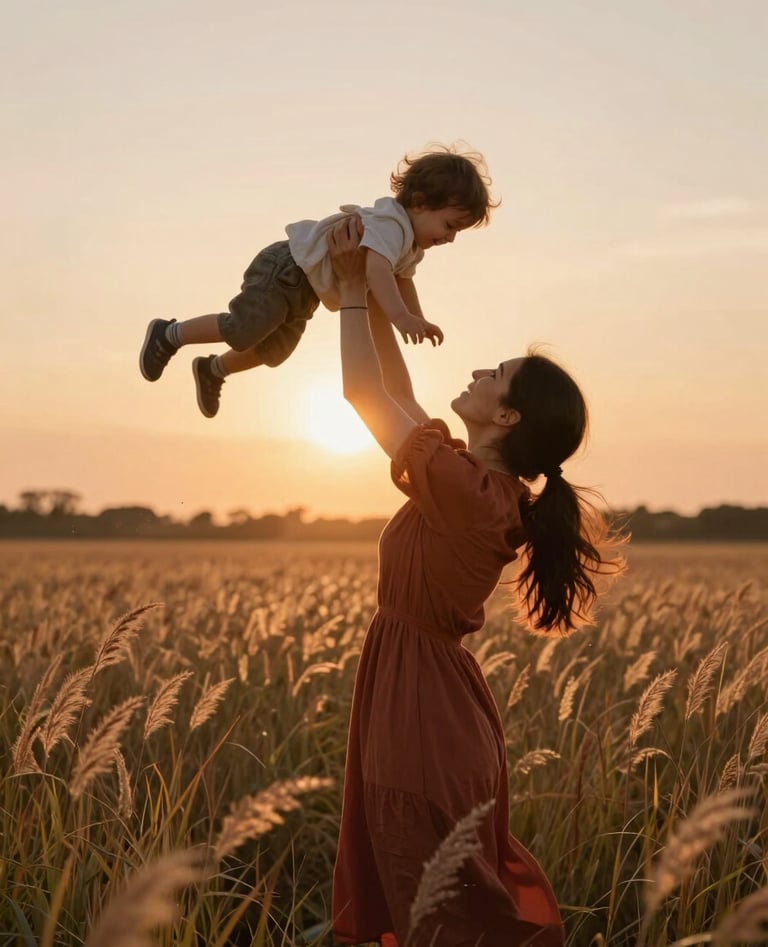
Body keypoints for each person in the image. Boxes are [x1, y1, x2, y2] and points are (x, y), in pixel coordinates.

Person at [325, 216, 623, 946]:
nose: (478, 372)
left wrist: (353, 298)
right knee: (428, 904)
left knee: (434, 912)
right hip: (429, 704)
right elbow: (395, 390)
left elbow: (363, 393)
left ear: (507, 415)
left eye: (495, 376)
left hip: (422, 718)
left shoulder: (467, 491)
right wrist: (369, 279)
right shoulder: (480, 487)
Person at [138, 145, 497, 418]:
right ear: (420, 202)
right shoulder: (392, 224)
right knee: (243, 329)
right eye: (450, 225)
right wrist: (402, 319)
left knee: (274, 352)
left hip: (307, 289)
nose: (450, 238)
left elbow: (402, 281)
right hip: (287, 268)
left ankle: (212, 369)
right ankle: (169, 333)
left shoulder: (409, 244)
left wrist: (416, 316)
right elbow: (376, 272)